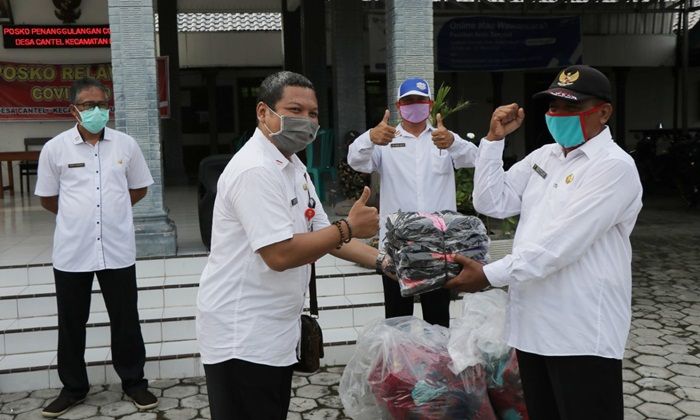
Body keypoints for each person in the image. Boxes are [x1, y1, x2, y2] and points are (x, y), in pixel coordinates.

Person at [445, 65, 643, 420]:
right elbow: (492, 202)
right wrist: (493, 142)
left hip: (581, 330)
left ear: (604, 111)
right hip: (532, 325)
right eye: (553, 107)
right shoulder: (544, 156)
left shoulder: (614, 167)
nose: (558, 115)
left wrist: (488, 275)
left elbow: (559, 246)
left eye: (571, 107)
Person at [196, 71, 389, 420]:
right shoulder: (254, 170)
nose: (307, 121)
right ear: (263, 113)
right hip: (243, 335)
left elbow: (325, 236)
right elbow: (280, 254)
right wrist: (350, 227)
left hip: (274, 330)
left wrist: (387, 263)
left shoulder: (292, 165)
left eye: (313, 113)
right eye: (295, 109)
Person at [35, 77, 159, 417]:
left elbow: (139, 189)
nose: (97, 111)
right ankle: (74, 387)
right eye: (89, 105)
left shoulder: (126, 145)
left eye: (102, 104)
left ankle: (134, 382)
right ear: (73, 110)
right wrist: (80, 218)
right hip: (73, 251)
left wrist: (111, 212)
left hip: (117, 249)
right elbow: (48, 198)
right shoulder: (55, 149)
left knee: (125, 319)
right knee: (71, 321)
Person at [347, 77, 478, 327]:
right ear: (398, 105)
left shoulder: (443, 138)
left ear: (430, 104)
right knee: (398, 318)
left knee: (438, 318)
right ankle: (400, 365)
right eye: (408, 101)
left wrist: (454, 142)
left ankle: (437, 365)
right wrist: (370, 137)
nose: (414, 105)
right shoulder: (385, 139)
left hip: (438, 244)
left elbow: (474, 159)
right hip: (397, 246)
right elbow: (355, 160)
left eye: (420, 100)